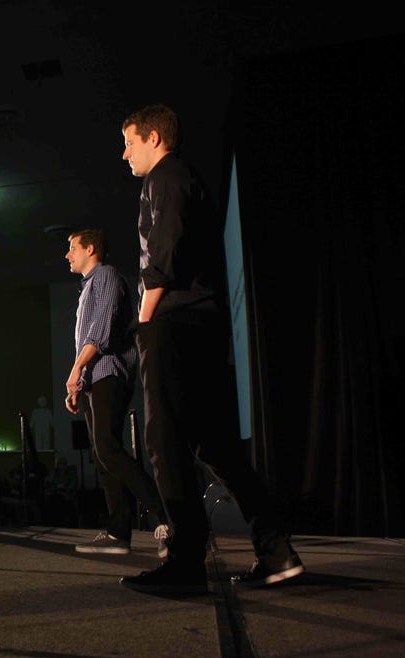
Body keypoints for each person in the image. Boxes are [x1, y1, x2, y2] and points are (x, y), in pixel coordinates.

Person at [118, 104, 303, 593]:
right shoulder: (183, 177)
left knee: (162, 441)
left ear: (154, 138)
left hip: (174, 324)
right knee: (214, 443)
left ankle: (185, 564)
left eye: (130, 142)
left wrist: (142, 321)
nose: (124, 154)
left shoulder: (166, 176)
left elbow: (165, 253)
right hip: (202, 325)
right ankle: (275, 549)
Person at [63, 229, 170, 557]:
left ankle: (167, 519)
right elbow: (89, 337)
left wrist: (75, 369)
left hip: (110, 372)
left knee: (108, 449)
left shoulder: (106, 276)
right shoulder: (87, 288)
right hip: (95, 377)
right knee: (102, 454)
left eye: (71, 249)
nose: (67, 256)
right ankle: (117, 533)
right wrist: (80, 382)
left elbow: (102, 329)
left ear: (90, 248)